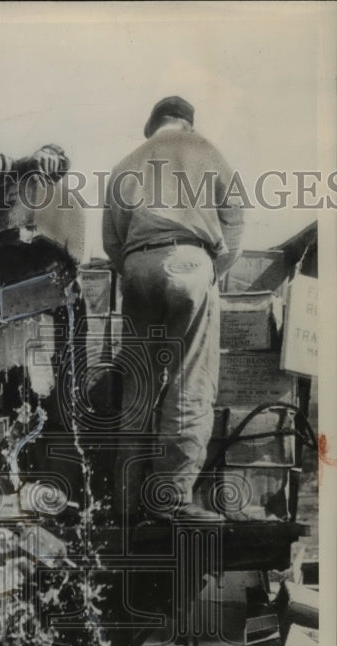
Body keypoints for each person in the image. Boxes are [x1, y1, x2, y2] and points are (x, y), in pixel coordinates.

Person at [102, 96, 245, 522]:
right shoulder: (207, 150)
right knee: (189, 381)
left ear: (153, 126)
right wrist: (208, 270)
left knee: (139, 386)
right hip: (190, 260)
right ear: (186, 124)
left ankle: (125, 504)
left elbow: (112, 240)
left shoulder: (124, 163)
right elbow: (234, 223)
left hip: (136, 264)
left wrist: (136, 270)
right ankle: (170, 499)